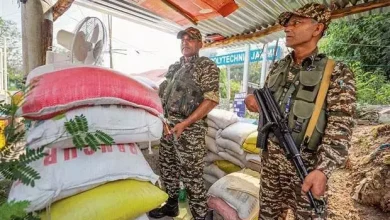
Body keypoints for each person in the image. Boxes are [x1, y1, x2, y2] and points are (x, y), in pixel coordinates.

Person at [244, 3, 356, 219]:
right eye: (287, 23)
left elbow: (341, 126)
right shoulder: (278, 68)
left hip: (305, 166)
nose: (287, 28)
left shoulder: (336, 72)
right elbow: (269, 107)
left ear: (317, 29)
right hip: (271, 165)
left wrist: (323, 169)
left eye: (297, 23)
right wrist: (255, 103)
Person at [148, 27, 220, 220]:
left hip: (190, 131)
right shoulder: (175, 67)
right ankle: (171, 205)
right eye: (183, 39)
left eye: (190, 39)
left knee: (191, 177)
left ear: (200, 44)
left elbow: (211, 99)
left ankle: (202, 216)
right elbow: (164, 95)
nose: (185, 42)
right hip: (168, 127)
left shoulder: (206, 66)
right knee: (168, 168)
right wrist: (162, 119)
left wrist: (185, 123)